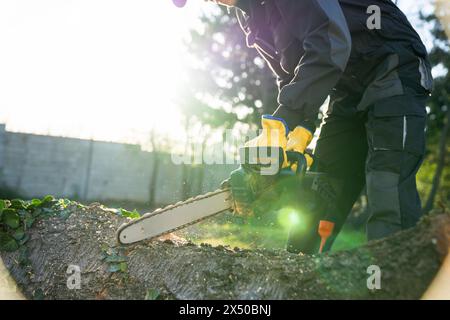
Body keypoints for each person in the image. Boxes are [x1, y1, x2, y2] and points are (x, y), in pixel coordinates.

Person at [207, 0, 433, 253]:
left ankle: (393, 281)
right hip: (346, 92)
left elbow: (330, 42)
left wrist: (285, 118)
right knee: (323, 188)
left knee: (387, 183)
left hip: (392, 67)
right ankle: (297, 279)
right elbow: (292, 73)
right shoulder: (251, 14)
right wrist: (297, 129)